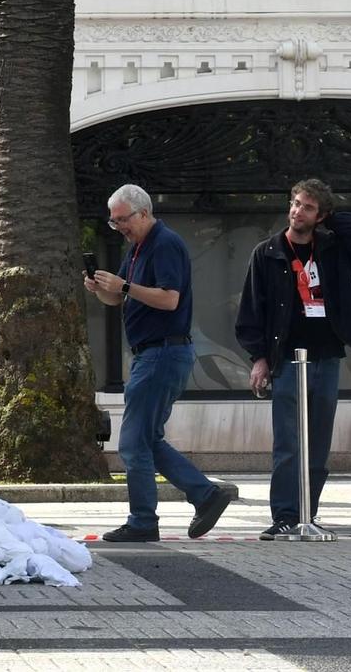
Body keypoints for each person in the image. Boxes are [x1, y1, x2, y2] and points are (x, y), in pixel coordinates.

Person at [84, 184, 237, 542]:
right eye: (114, 222)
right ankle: (204, 494)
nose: (119, 226)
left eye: (123, 220)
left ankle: (143, 521)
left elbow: (169, 299)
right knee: (148, 439)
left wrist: (123, 288)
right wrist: (102, 288)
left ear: (144, 213)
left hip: (162, 353)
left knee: (134, 443)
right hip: (153, 353)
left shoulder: (165, 244)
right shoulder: (137, 247)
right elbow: (120, 299)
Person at [234, 178, 351, 539]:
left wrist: (327, 218)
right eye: (296, 203)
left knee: (317, 443)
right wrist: (259, 359)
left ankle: (306, 515)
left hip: (326, 356)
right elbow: (251, 313)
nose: (298, 211)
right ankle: (283, 515)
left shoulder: (335, 247)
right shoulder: (267, 252)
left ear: (321, 215)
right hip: (288, 361)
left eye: (308, 207)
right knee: (288, 442)